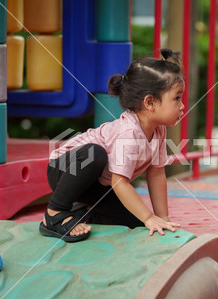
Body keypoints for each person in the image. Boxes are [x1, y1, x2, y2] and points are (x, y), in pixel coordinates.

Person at [39, 48, 183, 242]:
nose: (182, 106)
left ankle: (81, 213)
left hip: (97, 186)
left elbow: (156, 174)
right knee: (95, 153)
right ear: (150, 102)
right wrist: (149, 217)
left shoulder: (158, 129)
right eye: (176, 98)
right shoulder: (129, 133)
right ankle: (54, 214)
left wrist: (160, 219)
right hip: (65, 170)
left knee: (136, 223)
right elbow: (119, 181)